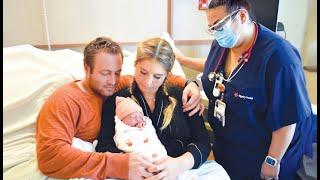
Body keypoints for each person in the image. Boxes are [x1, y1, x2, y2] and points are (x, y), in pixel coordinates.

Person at [174, 0, 314, 179]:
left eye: (219, 25)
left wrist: (272, 161)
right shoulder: (223, 43)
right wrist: (194, 83)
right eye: (211, 28)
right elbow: (214, 71)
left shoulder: (281, 58)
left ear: (241, 16)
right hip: (230, 146)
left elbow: (287, 121)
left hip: (265, 152)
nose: (216, 33)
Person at [35, 36, 203, 180]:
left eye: (117, 72)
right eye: (105, 73)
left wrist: (190, 85)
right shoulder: (66, 101)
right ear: (87, 68)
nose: (113, 81)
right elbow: (49, 157)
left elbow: (157, 76)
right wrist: (120, 164)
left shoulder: (120, 84)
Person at [96, 37, 231, 180]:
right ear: (135, 65)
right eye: (143, 72)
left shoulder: (184, 97)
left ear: (167, 74)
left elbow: (202, 142)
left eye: (157, 76)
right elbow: (104, 145)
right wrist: (130, 164)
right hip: (134, 172)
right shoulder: (117, 102)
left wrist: (178, 164)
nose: (148, 82)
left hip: (180, 168)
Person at [113, 96, 168, 163]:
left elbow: (151, 134)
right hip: (138, 159)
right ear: (122, 120)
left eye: (140, 116)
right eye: (134, 117)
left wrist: (143, 128)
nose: (138, 119)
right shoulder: (122, 131)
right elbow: (121, 142)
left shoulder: (145, 124)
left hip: (159, 155)